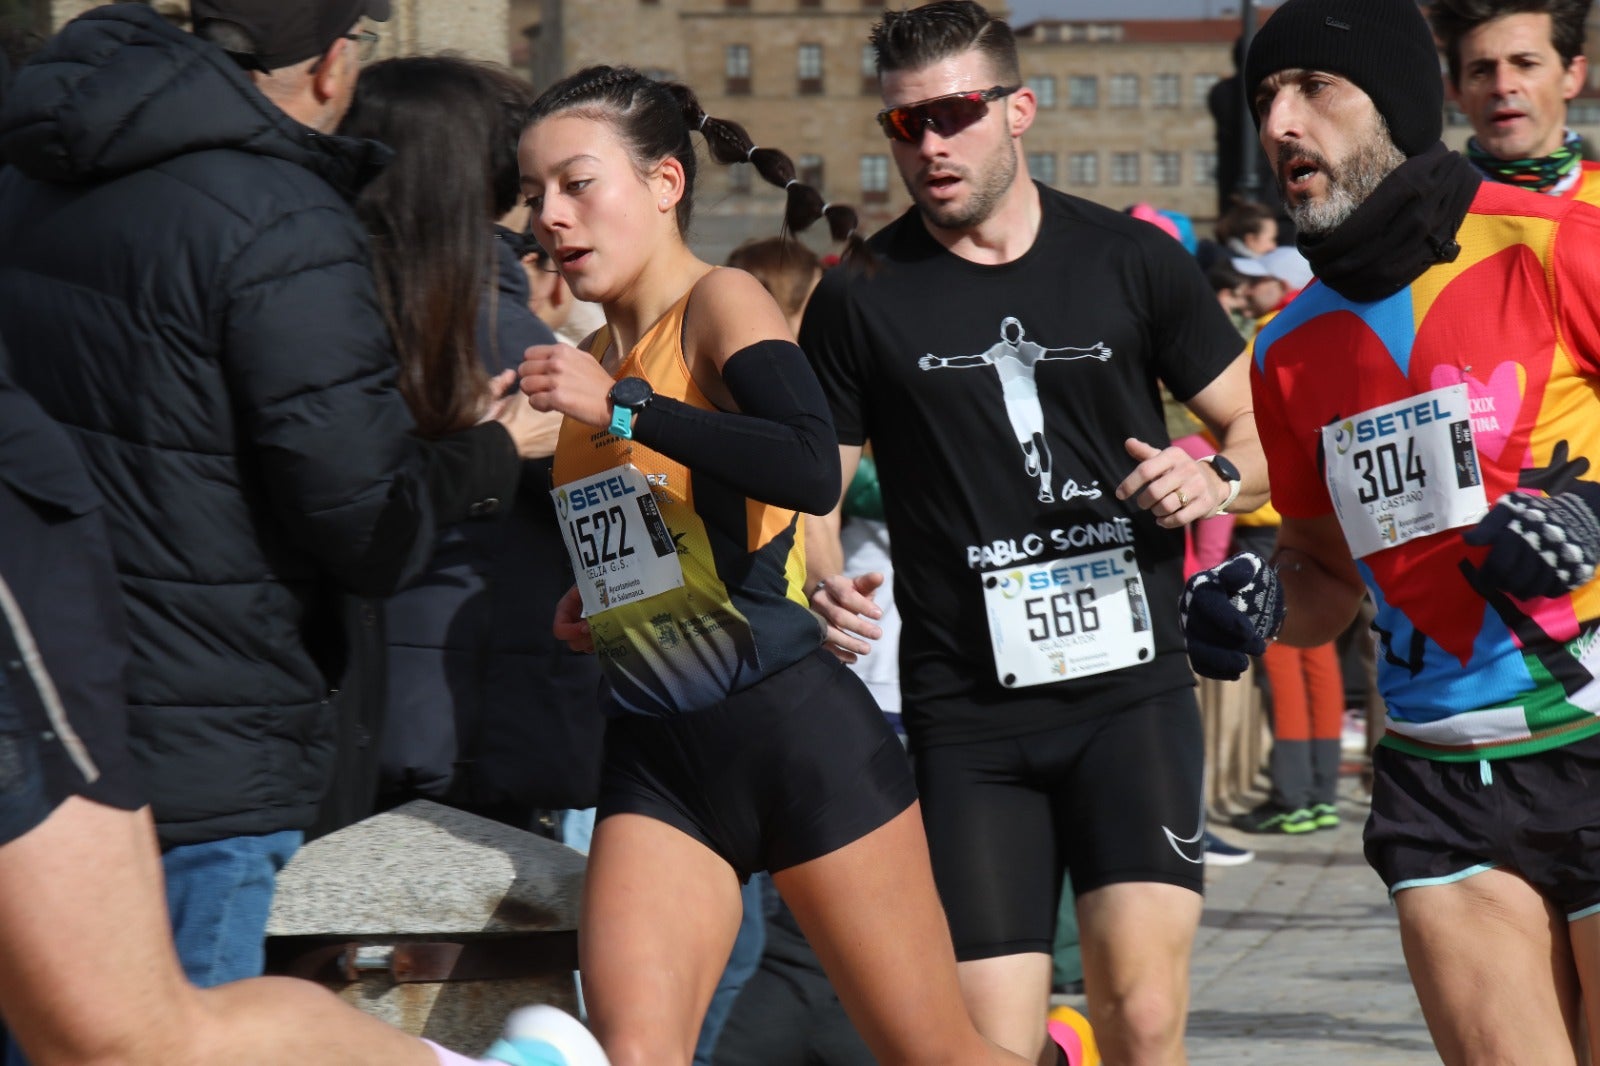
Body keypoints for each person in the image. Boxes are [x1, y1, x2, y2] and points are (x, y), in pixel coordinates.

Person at [0, 0, 543, 990]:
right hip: (206, 743)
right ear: (333, 66)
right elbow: (367, 523)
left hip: (43, 721)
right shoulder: (282, 217)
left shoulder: (30, 178)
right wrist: (490, 451)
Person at [514, 63, 1032, 1066]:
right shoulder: (602, 371)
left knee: (937, 1055)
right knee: (633, 1054)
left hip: (794, 744)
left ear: (665, 184)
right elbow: (695, 517)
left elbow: (801, 461)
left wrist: (618, 407)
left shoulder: (721, 301)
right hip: (657, 757)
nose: (550, 216)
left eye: (578, 184)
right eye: (534, 194)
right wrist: (607, 601)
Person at [798, 3, 1268, 1062]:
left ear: (1018, 110)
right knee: (980, 1043)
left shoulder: (1129, 262)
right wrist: (823, 578)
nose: (929, 145)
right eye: (902, 125)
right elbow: (810, 496)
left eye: (954, 114)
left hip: (1128, 700)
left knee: (1141, 1017)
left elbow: (1253, 430)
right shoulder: (860, 298)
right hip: (970, 721)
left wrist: (1216, 479)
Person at [1182, 0, 1600, 1061]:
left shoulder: (1558, 246)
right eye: (1265, 96)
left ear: (1401, 107)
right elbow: (1321, 576)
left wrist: (1589, 514)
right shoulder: (1288, 346)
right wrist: (1262, 602)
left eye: (1313, 89)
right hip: (1437, 782)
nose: (1279, 122)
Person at [0, 340, 602, 1066]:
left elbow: (364, 515)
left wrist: (604, 421)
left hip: (183, 703)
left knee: (126, 1038)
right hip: (187, 694)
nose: (552, 217)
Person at [337, 55, 606, 830]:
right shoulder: (515, 341)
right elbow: (630, 543)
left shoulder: (327, 311)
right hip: (480, 733)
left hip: (346, 720)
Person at [1431, 0, 1600, 204]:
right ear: (1457, 92)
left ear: (1572, 76)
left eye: (1526, 64)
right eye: (1481, 71)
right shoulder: (1429, 214)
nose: (1502, 86)